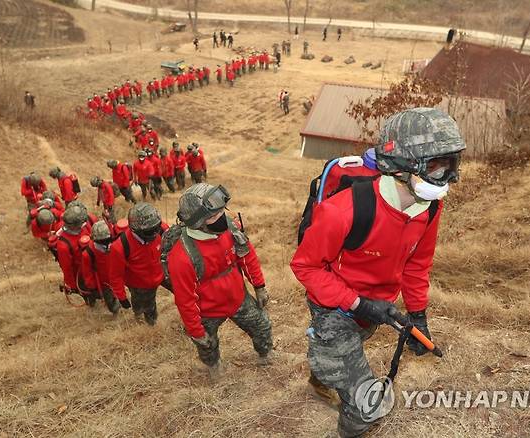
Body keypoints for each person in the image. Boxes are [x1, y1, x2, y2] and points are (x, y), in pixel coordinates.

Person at [290, 107, 466, 438]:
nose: (447, 177)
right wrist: (357, 303)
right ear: (402, 166)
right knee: (364, 403)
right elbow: (305, 266)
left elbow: (417, 264)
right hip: (334, 305)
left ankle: (325, 369)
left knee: (355, 342)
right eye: (434, 165)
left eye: (451, 164)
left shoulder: (429, 208)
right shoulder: (341, 212)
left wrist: (418, 314)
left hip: (379, 305)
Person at [168, 184, 273, 380]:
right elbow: (185, 301)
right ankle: (214, 367)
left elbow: (247, 256)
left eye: (221, 212)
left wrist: (259, 286)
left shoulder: (230, 229)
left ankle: (265, 355)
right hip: (207, 311)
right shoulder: (182, 258)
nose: (222, 219)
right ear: (199, 222)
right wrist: (196, 332)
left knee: (262, 326)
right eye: (214, 217)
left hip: (238, 299)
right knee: (207, 346)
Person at [109, 203, 166, 326]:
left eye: (156, 228)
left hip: (162, 272)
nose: (155, 233)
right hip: (140, 286)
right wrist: (122, 297)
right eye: (150, 231)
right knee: (147, 309)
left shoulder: (159, 228)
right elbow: (115, 276)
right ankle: (146, 323)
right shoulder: (120, 247)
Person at [79, 222, 120, 314]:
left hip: (115, 279)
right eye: (102, 241)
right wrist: (92, 287)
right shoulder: (88, 254)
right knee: (112, 306)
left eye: (107, 239)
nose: (106, 243)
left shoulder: (115, 245)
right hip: (103, 284)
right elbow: (87, 272)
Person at [54, 205, 89, 295]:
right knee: (88, 293)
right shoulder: (63, 246)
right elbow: (67, 268)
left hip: (91, 267)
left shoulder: (83, 227)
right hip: (81, 274)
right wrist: (72, 286)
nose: (84, 223)